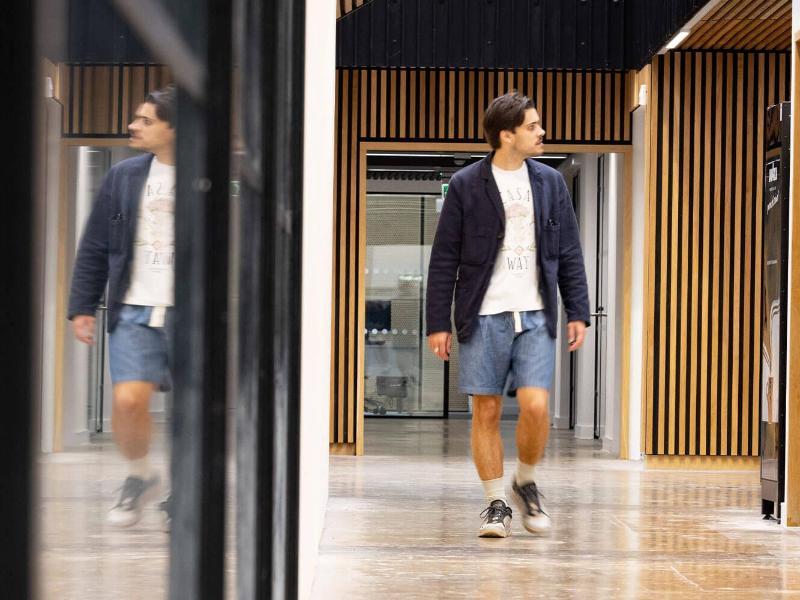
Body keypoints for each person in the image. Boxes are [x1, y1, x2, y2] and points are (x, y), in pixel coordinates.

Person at [425, 91, 590, 538]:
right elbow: (444, 259)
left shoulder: (550, 183)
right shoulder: (465, 185)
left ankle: (526, 480)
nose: (541, 132)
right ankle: (494, 502)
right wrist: (437, 321)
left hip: (536, 313)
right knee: (488, 411)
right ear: (507, 134)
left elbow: (569, 250)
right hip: (483, 315)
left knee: (536, 405)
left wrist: (578, 309)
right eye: (533, 126)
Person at [68, 86, 176, 528]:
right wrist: (82, 305)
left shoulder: (212, 174)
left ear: (175, 128)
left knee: (195, 409)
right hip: (133, 307)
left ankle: (186, 490)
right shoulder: (125, 175)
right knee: (129, 401)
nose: (133, 126)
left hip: (196, 313)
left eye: (146, 120)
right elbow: (95, 242)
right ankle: (140, 475)